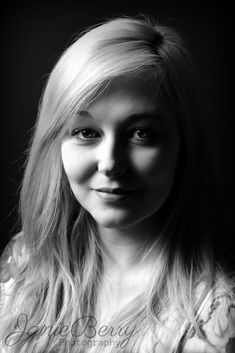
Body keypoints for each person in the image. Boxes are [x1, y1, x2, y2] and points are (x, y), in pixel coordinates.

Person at [0, 15, 234, 353]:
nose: (110, 163)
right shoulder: (23, 261)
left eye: (141, 133)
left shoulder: (216, 314)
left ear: (183, 145)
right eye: (86, 132)